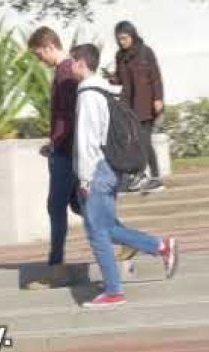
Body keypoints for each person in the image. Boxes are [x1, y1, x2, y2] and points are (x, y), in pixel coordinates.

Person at [70, 44, 178, 309]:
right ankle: (161, 246)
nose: (70, 67)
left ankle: (113, 291)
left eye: (72, 62)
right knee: (109, 228)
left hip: (96, 170)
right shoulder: (104, 91)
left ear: (82, 64)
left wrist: (84, 180)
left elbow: (87, 141)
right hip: (111, 167)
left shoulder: (87, 95)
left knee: (98, 233)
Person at [26, 26, 82, 289]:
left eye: (39, 55)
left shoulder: (65, 73)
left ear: (49, 47)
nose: (40, 61)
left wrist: (58, 144)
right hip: (64, 149)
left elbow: (70, 117)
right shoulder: (65, 72)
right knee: (82, 207)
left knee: (56, 207)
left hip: (66, 154)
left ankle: (56, 267)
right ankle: (130, 239)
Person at [105, 21, 165, 192]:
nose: (122, 42)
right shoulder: (120, 56)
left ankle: (155, 177)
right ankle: (141, 176)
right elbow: (121, 79)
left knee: (144, 140)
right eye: (119, 39)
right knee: (134, 141)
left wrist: (158, 98)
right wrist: (111, 77)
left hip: (146, 104)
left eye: (124, 38)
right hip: (128, 106)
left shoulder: (146, 52)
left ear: (132, 35)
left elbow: (156, 76)